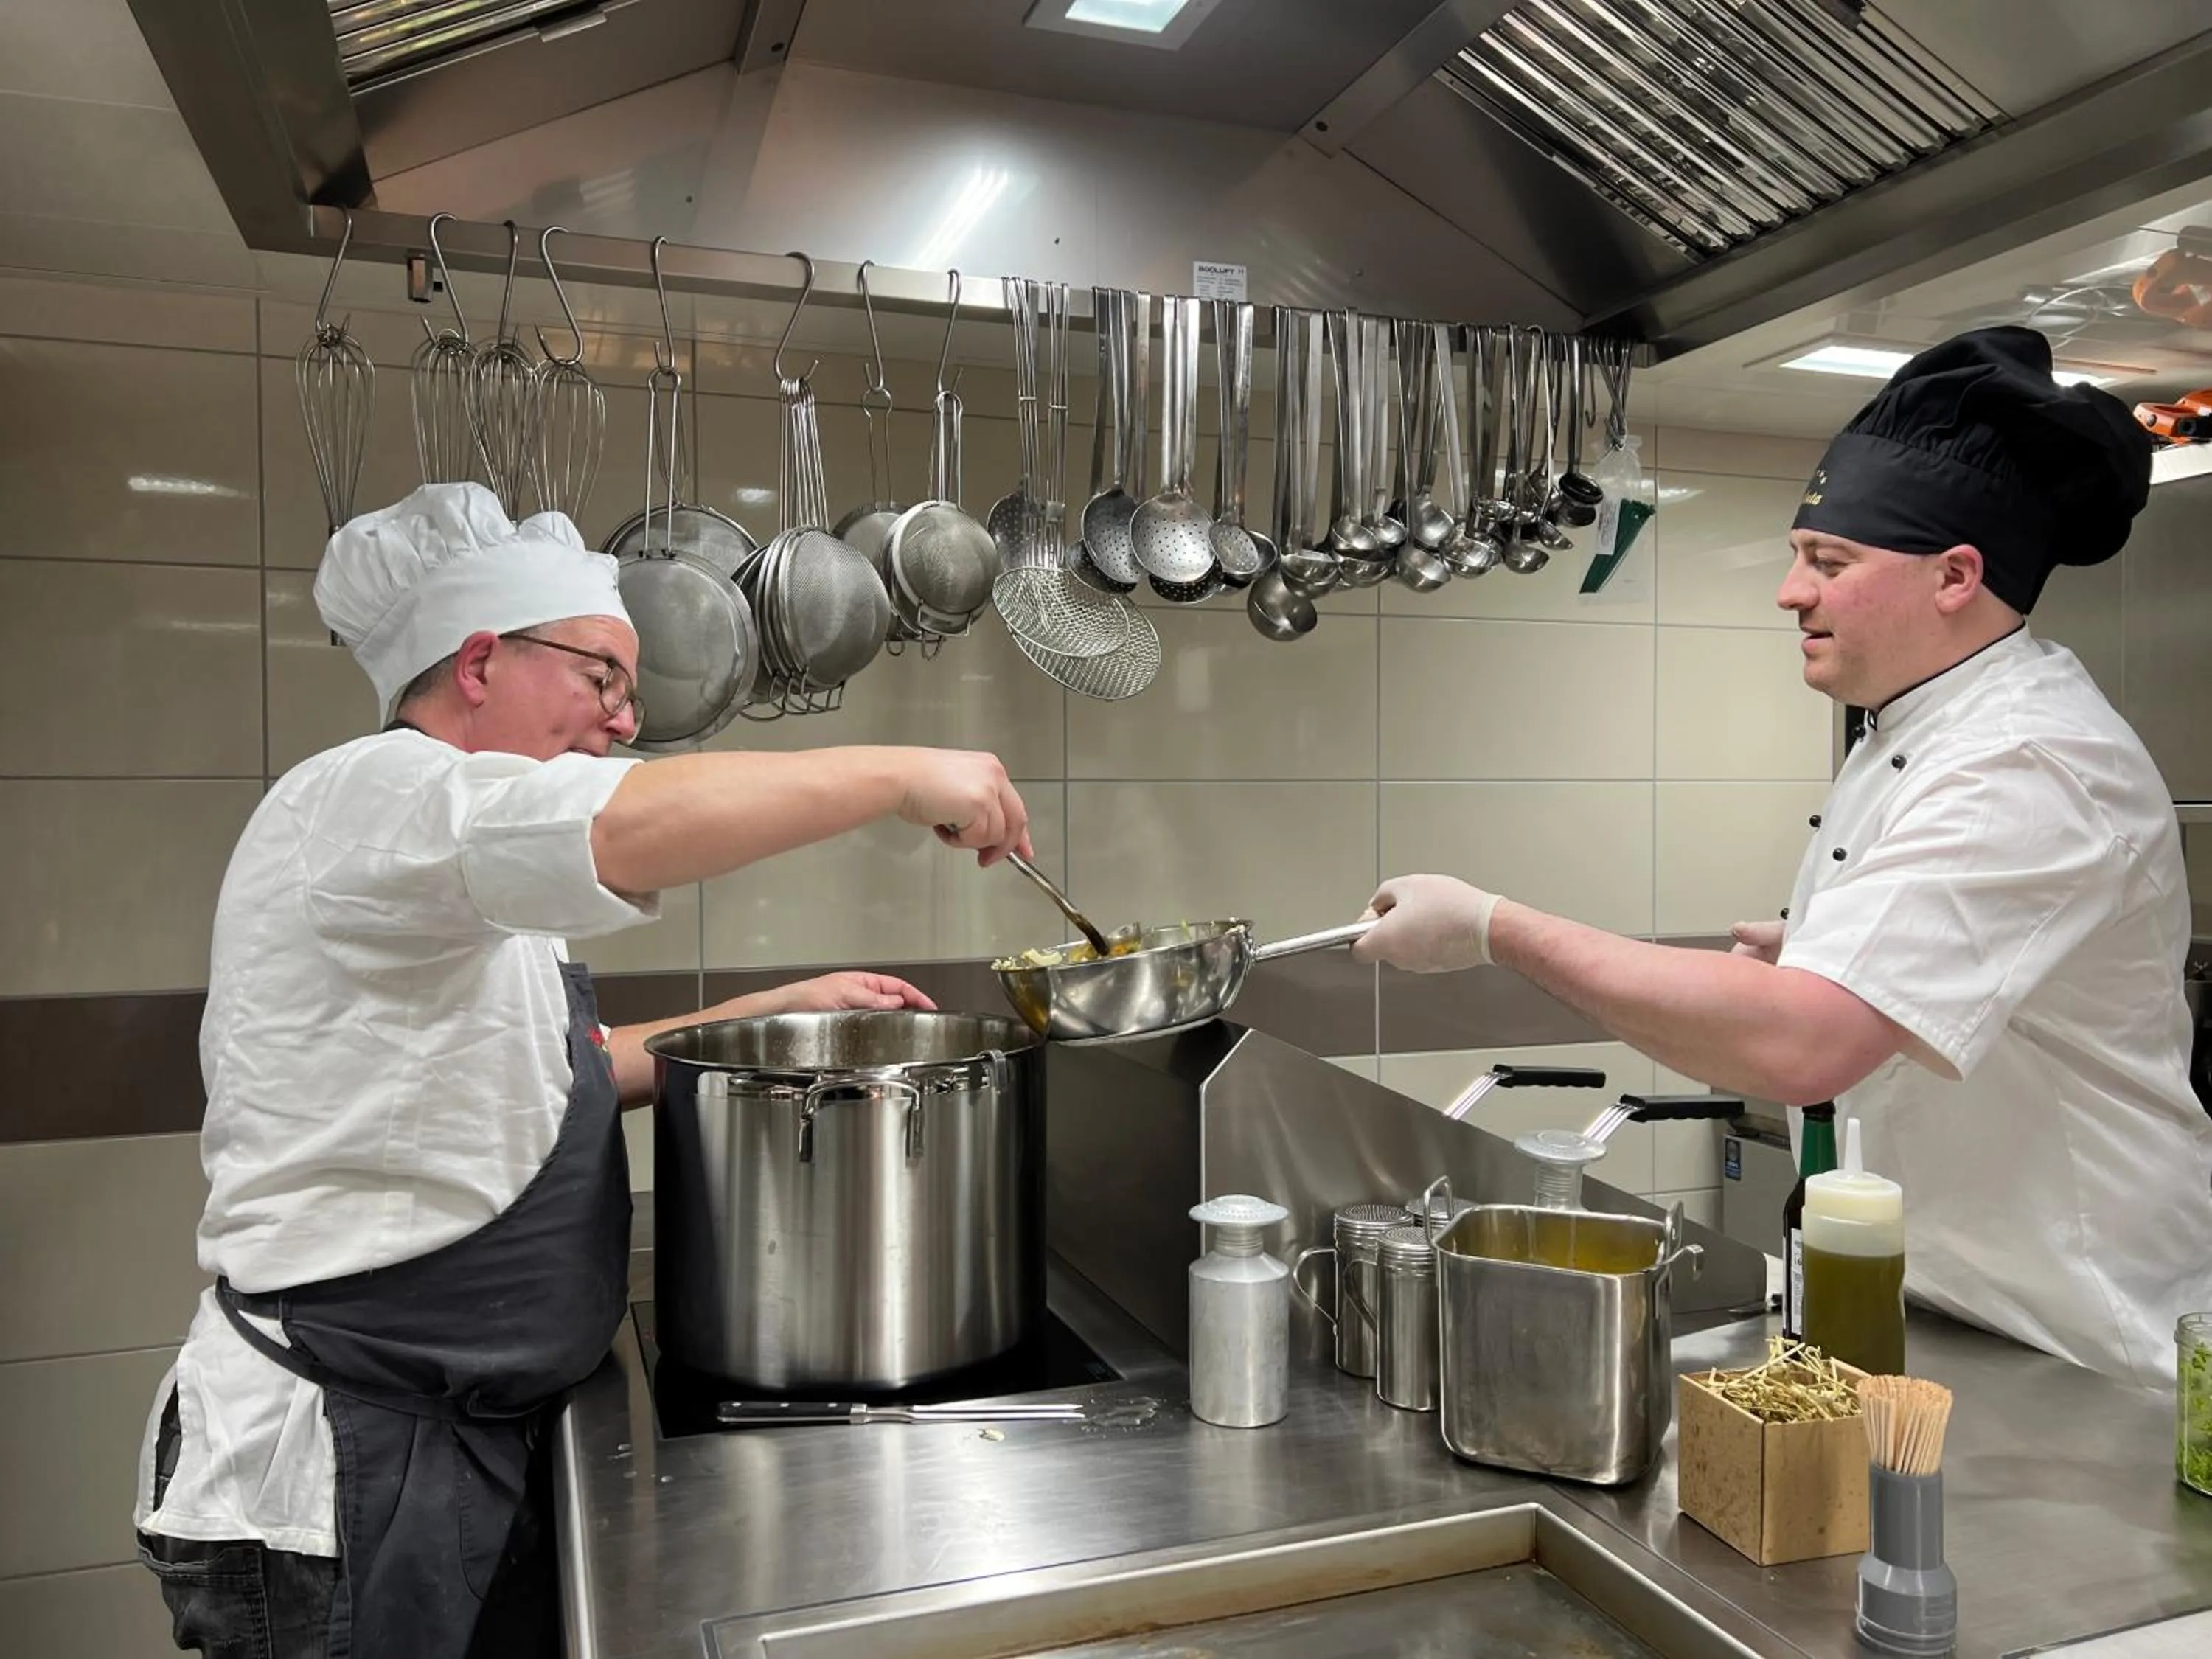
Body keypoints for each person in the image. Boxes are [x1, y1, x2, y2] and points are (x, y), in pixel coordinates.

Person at [132, 484, 1033, 1658]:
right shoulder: (372, 795)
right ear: (478, 663)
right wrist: (902, 776)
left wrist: (768, 1012)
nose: (624, 719)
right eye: (604, 676)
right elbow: (621, 824)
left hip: (445, 1439)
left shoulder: (462, 868)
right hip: (346, 1470)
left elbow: (551, 1074)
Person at [1353, 327, 2212, 1389]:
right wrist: (1828, 957)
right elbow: (1862, 1002)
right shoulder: (1913, 726)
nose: (1789, 592)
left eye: (1828, 563)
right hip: (1956, 1316)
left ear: (1955, 576)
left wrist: (1494, 928)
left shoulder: (2027, 761)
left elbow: (1805, 1045)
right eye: (1798, 556)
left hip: (2083, 1354)